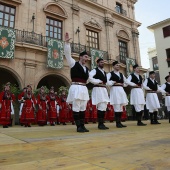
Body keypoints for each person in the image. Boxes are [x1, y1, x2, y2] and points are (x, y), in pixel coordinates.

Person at [64, 32, 89, 132]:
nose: (87, 59)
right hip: (76, 87)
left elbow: (90, 79)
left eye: (87, 58)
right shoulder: (73, 63)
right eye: (85, 57)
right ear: (81, 57)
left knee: (83, 107)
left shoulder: (87, 69)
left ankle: (82, 125)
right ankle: (78, 126)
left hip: (84, 88)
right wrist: (67, 44)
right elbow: (67, 55)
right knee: (76, 106)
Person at [107, 61, 135, 128]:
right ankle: (117, 123)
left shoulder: (121, 74)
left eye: (119, 66)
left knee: (120, 107)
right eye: (117, 65)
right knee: (117, 106)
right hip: (115, 90)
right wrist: (113, 82)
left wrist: (130, 84)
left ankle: (119, 122)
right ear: (113, 66)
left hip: (121, 90)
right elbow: (107, 81)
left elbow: (126, 82)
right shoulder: (110, 74)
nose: (118, 67)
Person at [89, 58, 110, 130]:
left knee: (104, 106)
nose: (102, 63)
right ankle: (100, 124)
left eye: (103, 62)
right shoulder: (95, 70)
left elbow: (106, 82)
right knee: (100, 105)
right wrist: (97, 81)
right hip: (98, 88)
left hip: (103, 89)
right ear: (97, 63)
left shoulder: (104, 72)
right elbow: (89, 78)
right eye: (101, 62)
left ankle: (102, 123)